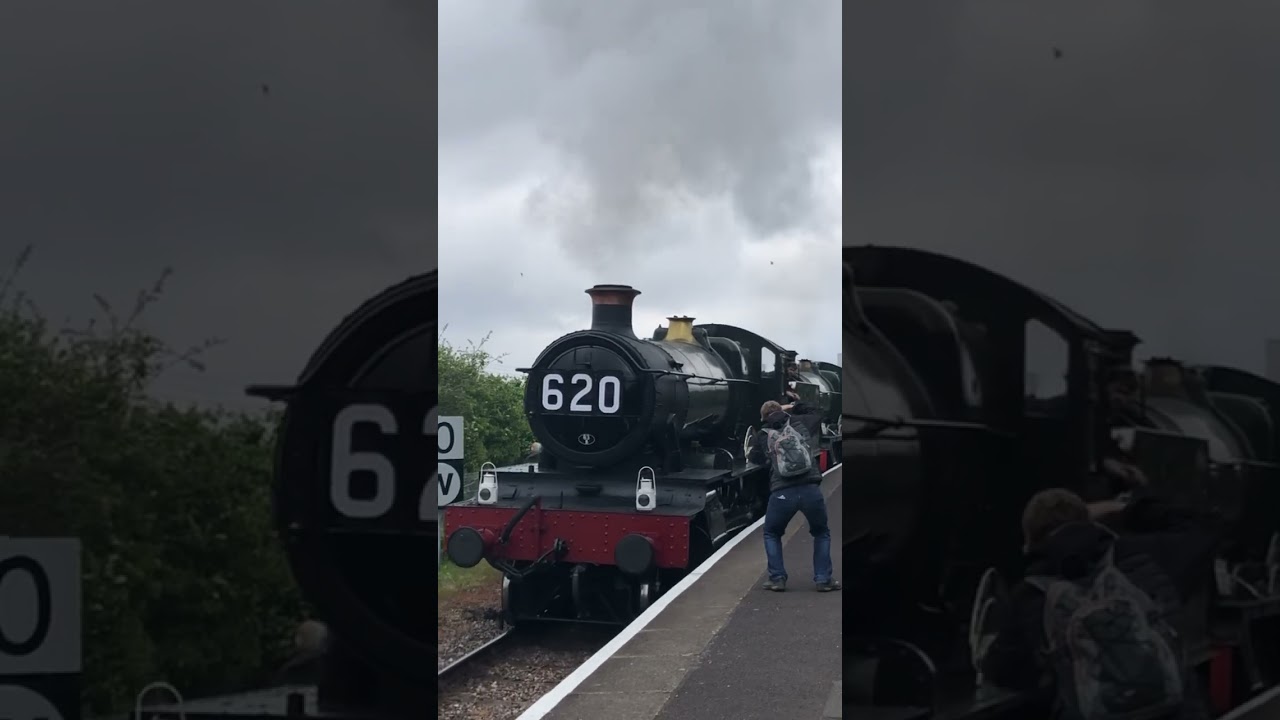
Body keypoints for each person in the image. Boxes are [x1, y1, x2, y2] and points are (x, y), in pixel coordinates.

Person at [982, 488, 1217, 720]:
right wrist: (1124, 508)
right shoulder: (1145, 555)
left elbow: (1001, 671)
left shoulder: (1030, 595)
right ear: (1091, 522)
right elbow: (1201, 527)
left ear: (1029, 543)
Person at [748, 398, 840, 593]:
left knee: (772, 533)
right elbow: (818, 411)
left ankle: (777, 579)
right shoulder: (801, 423)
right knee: (821, 533)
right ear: (782, 410)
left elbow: (754, 459)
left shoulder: (762, 435)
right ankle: (823, 579)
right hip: (810, 490)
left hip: (782, 493)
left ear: (763, 417)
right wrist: (793, 407)